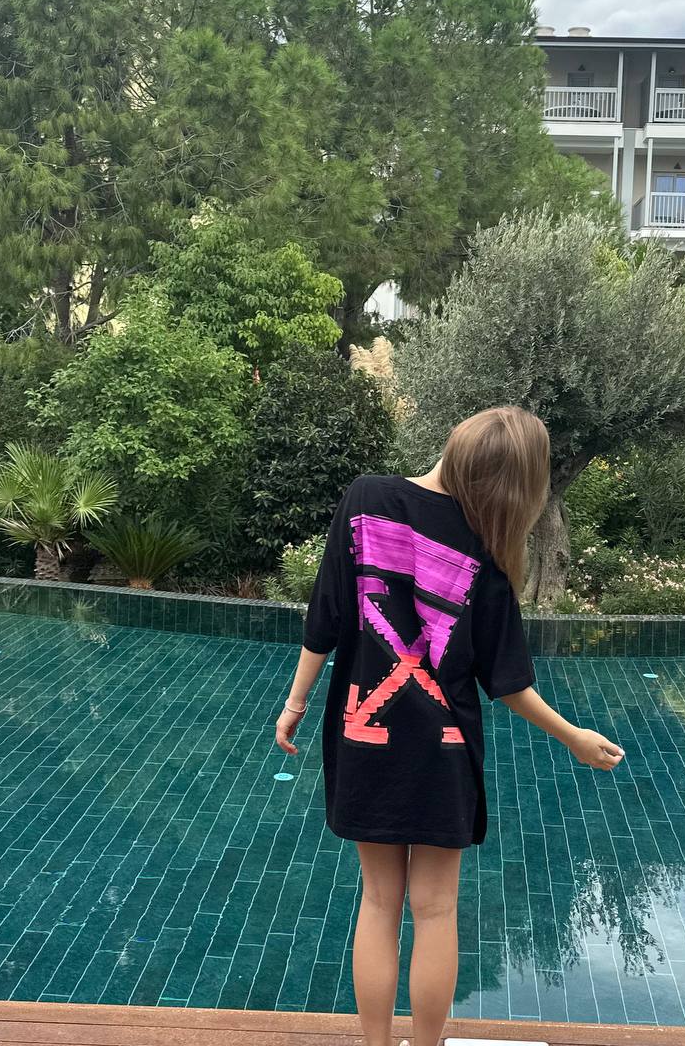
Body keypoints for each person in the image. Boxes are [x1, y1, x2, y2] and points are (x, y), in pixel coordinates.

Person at [275, 405, 624, 1046]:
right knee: (435, 911)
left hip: (364, 737)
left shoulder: (366, 499)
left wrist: (295, 704)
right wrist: (572, 736)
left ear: (456, 443)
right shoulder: (486, 549)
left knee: (378, 903)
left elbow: (324, 618)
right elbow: (507, 682)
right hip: (443, 751)